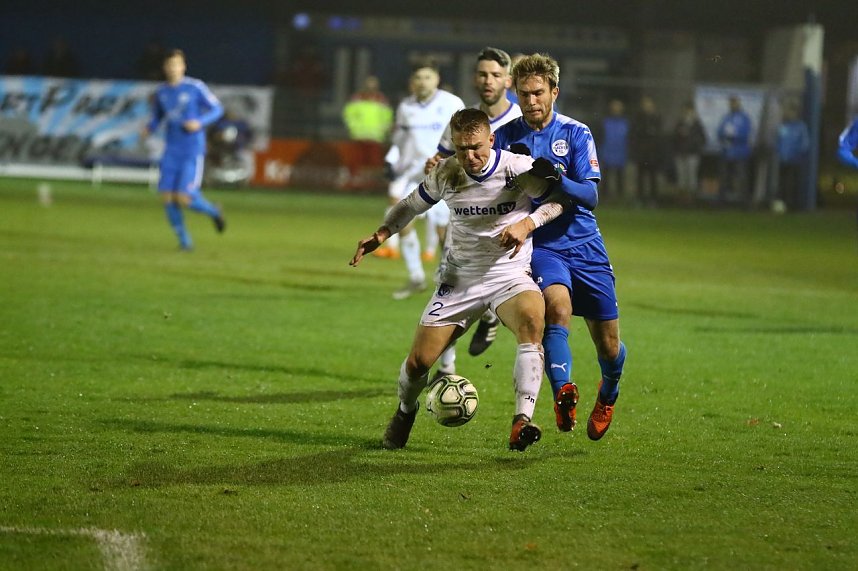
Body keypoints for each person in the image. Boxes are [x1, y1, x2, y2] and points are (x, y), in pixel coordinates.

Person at [350, 108, 570, 452]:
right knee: (419, 362)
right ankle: (406, 411)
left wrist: (526, 224)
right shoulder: (447, 173)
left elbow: (558, 200)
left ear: (491, 140)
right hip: (459, 279)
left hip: (508, 273)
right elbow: (410, 205)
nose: (470, 156)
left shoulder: (516, 168)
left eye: (476, 147)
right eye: (462, 148)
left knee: (532, 321)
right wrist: (381, 234)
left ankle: (521, 421)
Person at [492, 53, 626, 441]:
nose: (530, 101)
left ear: (554, 91)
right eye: (523, 94)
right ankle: (562, 394)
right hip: (543, 245)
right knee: (556, 308)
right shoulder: (506, 137)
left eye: (537, 93)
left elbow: (590, 196)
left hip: (585, 244)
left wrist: (558, 179)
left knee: (609, 345)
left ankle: (609, 391)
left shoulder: (576, 133)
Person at [423, 47, 523, 366]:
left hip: (508, 225)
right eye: (482, 74)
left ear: (508, 80)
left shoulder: (521, 123)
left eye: (495, 75)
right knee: (448, 286)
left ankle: (491, 314)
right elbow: (442, 159)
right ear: (474, 78)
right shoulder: (463, 121)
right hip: (466, 221)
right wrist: (435, 164)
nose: (488, 81)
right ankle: (446, 371)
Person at [373, 59, 465, 300]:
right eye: (418, 78)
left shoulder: (452, 104)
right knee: (399, 220)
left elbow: (465, 134)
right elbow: (400, 142)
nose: (422, 82)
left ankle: (448, 279)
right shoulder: (406, 107)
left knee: (445, 231)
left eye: (427, 77)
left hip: (445, 174)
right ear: (411, 83)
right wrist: (391, 160)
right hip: (413, 174)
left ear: (437, 80)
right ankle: (416, 276)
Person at [142, 49, 226, 250]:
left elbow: (217, 109)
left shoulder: (195, 87)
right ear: (165, 68)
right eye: (169, 65)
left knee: (184, 198)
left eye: (177, 64)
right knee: (167, 197)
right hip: (171, 150)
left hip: (192, 150)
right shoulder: (161, 92)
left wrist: (200, 122)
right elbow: (158, 117)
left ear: (183, 66)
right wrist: (149, 128)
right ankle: (185, 242)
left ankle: (214, 211)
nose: (173, 69)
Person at [342, 75, 394, 173]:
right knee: (356, 161)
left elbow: (387, 117)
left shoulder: (381, 100)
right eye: (369, 85)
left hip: (375, 137)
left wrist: (384, 129)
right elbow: (349, 115)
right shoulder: (357, 99)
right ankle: (355, 181)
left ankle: (373, 182)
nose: (371, 88)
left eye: (373, 85)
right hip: (358, 136)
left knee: (375, 162)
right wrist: (353, 127)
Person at [717, 95, 753, 204]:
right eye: (731, 103)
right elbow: (719, 132)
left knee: (741, 176)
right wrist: (724, 136)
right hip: (727, 152)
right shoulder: (726, 117)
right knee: (724, 177)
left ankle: (742, 201)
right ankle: (723, 200)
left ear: (739, 103)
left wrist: (733, 135)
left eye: (734, 102)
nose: (732, 105)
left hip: (740, 152)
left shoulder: (744, 118)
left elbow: (745, 133)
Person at [774, 103, 809, 211]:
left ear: (796, 113)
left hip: (795, 159)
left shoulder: (800, 127)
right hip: (783, 159)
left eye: (792, 112)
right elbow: (778, 141)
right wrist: (779, 152)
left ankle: (794, 204)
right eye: (788, 112)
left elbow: (805, 143)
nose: (789, 114)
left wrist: (798, 153)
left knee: (793, 182)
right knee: (782, 182)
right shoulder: (783, 126)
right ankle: (782, 203)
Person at [631, 95, 664, 206]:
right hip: (642, 153)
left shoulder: (657, 118)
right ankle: (640, 199)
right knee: (640, 177)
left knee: (652, 178)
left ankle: (653, 199)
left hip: (652, 153)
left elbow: (659, 135)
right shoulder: (639, 118)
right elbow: (636, 133)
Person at [672, 101, 707, 202]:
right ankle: (682, 199)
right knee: (681, 177)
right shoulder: (680, 123)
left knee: (691, 177)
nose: (687, 113)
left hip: (692, 154)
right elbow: (674, 138)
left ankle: (691, 199)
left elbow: (703, 139)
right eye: (685, 111)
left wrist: (693, 143)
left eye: (689, 111)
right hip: (680, 154)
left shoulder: (697, 124)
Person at [599, 99, 629, 202]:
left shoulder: (625, 122)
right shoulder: (605, 122)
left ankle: (620, 199)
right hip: (607, 152)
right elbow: (600, 137)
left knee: (619, 178)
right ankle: (604, 198)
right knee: (606, 177)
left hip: (621, 153)